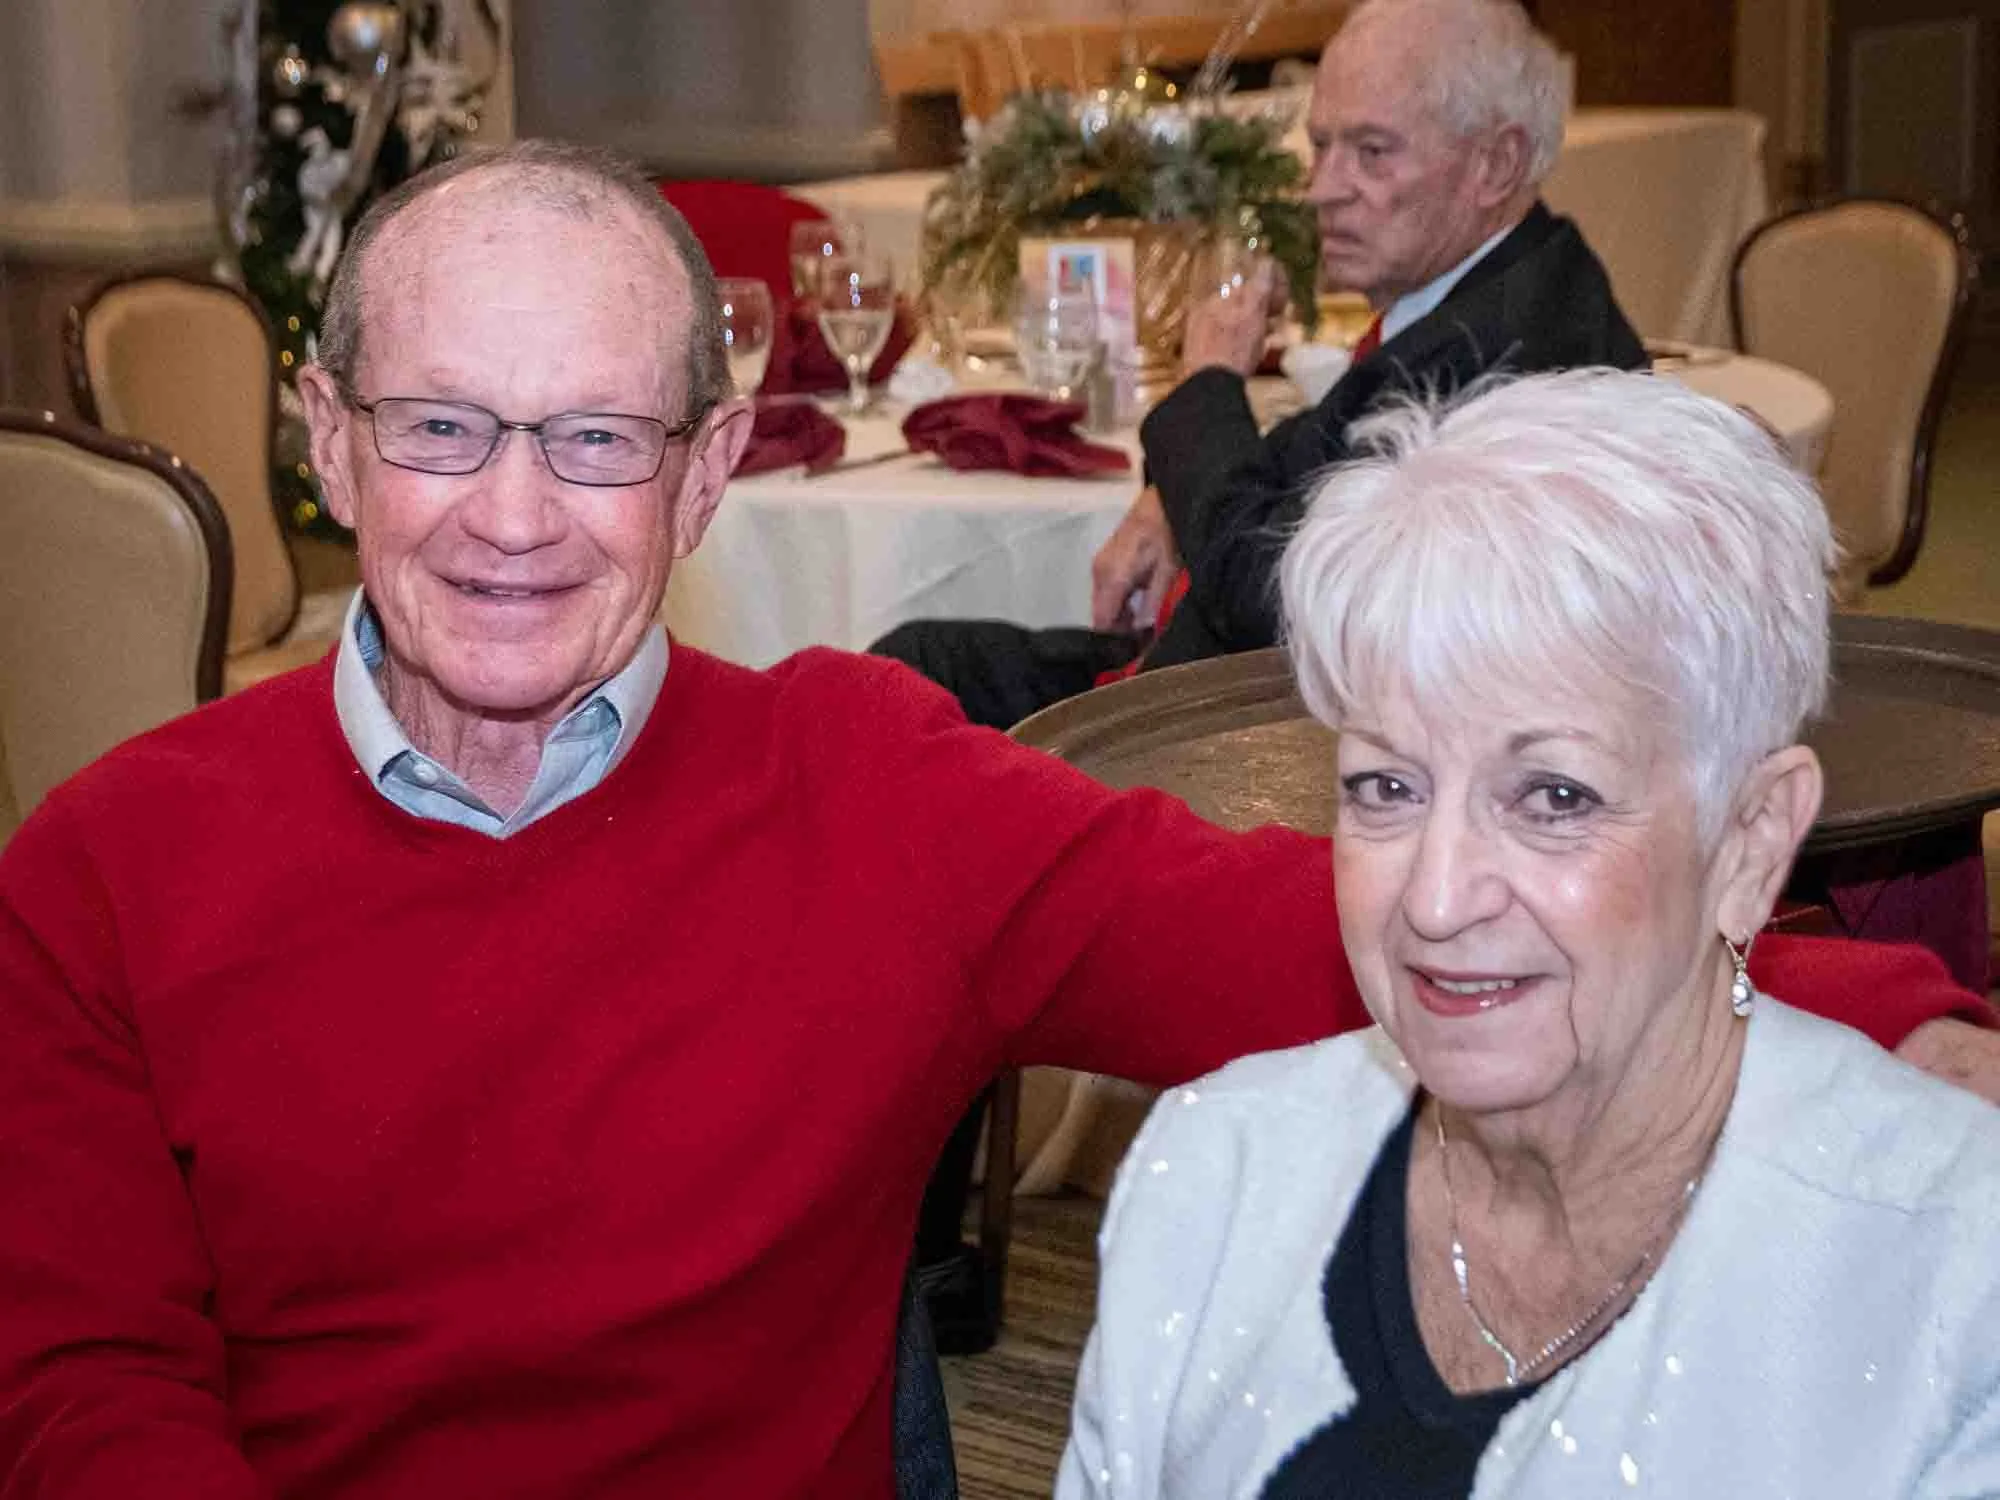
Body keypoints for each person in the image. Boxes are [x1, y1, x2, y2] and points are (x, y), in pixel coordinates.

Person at [0, 144, 1987, 1500]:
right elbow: (80, 1395)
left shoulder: (866, 799)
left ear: (704, 478)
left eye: (596, 439)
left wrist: (1857, 1000)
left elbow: (1347, 931)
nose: (512, 514)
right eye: (441, 426)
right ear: (332, 442)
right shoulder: (102, 874)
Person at [1058, 372, 2000, 1499]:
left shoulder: (1949, 1277)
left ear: (1748, 843)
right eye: (1385, 787)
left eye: (1552, 797)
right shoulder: (1207, 1175)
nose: (1437, 899)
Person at [876, 0, 1635, 726]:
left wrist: (1208, 380)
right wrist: (1165, 496)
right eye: (1323, 145)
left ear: (1495, 165)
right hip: (1233, 692)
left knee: (895, 698)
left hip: (1244, 744)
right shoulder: (1519, 287)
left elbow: (1268, 587)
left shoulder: (1483, 352)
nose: (1322, 189)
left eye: (1371, 152)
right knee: (908, 672)